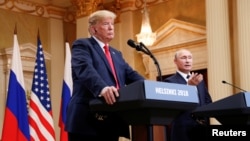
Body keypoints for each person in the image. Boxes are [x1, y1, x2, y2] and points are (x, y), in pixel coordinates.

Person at [65, 10, 144, 141]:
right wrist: (103, 88)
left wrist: (151, 87)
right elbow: (85, 69)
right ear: (93, 29)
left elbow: (131, 75)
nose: (111, 27)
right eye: (106, 24)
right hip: (86, 119)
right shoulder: (83, 45)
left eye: (112, 24)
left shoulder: (116, 53)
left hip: (111, 120)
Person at [164, 49, 212, 141]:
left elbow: (207, 101)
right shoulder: (170, 81)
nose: (187, 60)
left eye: (190, 58)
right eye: (183, 58)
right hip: (183, 131)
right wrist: (188, 87)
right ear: (175, 61)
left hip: (201, 129)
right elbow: (172, 106)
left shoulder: (199, 81)